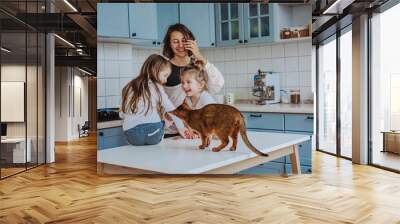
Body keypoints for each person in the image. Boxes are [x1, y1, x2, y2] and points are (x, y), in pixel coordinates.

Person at [162, 23, 224, 138]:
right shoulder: (164, 69)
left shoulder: (199, 65)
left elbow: (217, 86)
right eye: (175, 41)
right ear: (169, 44)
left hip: (199, 132)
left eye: (184, 40)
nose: (181, 45)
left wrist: (199, 56)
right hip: (173, 133)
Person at [119, 54, 183, 145]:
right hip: (154, 131)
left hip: (131, 134)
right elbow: (172, 110)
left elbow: (121, 113)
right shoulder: (156, 86)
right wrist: (182, 129)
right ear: (154, 70)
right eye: (165, 75)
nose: (165, 80)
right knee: (164, 120)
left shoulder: (128, 86)